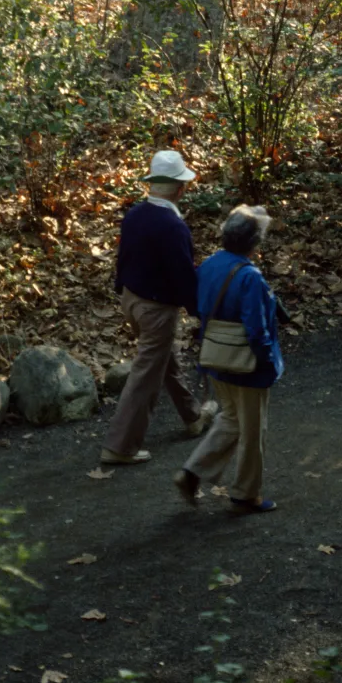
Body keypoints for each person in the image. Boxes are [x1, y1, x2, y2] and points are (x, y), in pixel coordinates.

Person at [100, 150, 214, 465]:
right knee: (145, 375)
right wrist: (199, 310)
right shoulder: (173, 227)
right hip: (156, 310)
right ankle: (119, 446)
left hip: (131, 300)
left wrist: (120, 288)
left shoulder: (135, 215)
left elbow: (123, 258)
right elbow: (183, 275)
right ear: (180, 188)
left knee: (165, 359)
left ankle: (192, 417)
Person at [174, 204, 284, 513]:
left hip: (216, 357)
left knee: (231, 418)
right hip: (246, 365)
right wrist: (268, 363)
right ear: (254, 242)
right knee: (253, 429)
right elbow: (257, 329)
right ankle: (246, 493)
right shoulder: (250, 278)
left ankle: (192, 472)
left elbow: (195, 303)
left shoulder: (208, 266)